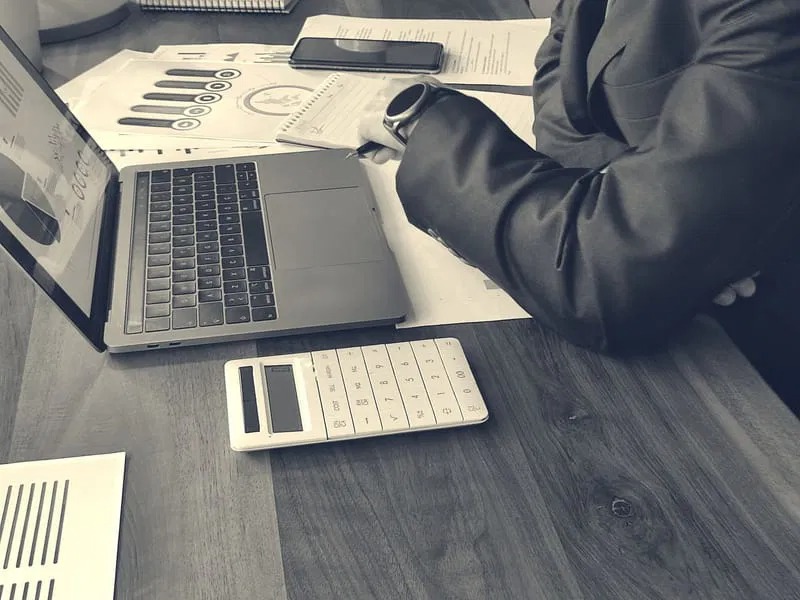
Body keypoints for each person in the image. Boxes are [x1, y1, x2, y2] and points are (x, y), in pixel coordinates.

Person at [356, 0, 800, 415]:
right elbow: (564, 72)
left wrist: (421, 118)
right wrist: (648, 211)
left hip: (759, 369)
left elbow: (602, 280)